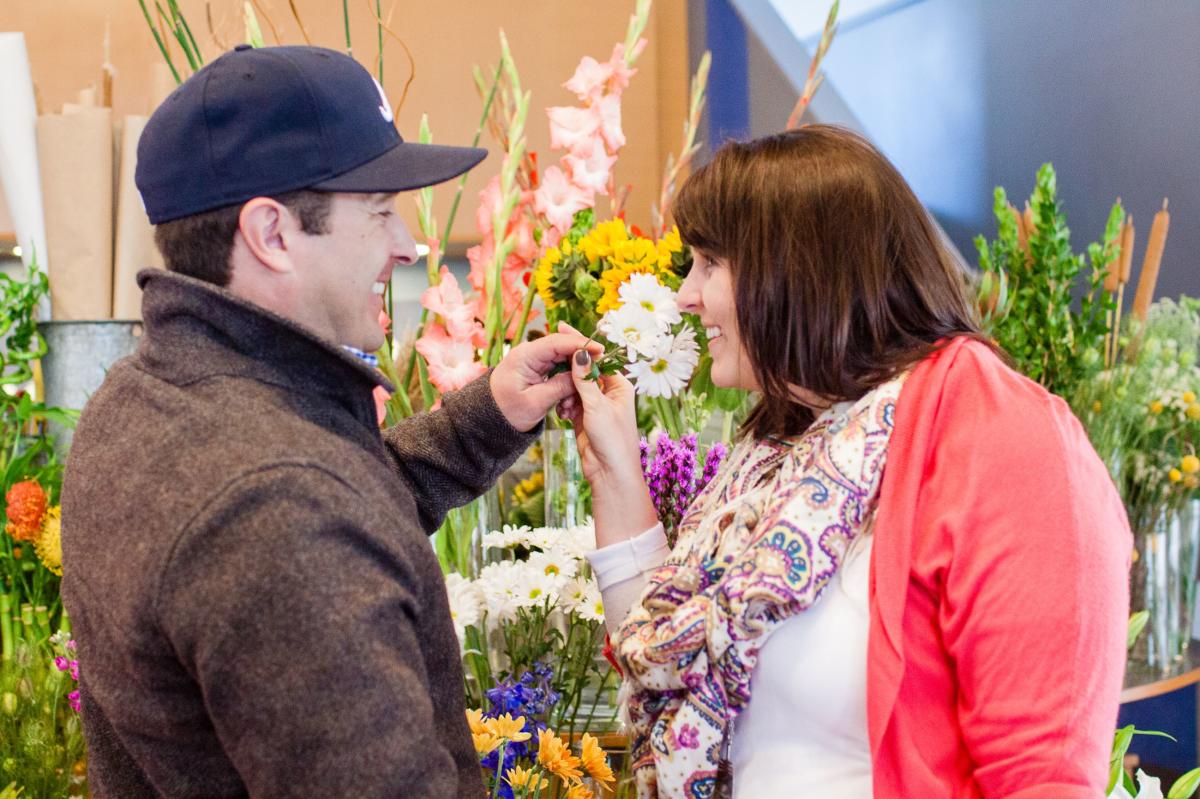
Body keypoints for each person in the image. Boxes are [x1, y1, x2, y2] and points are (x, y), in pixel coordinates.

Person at [60, 45, 594, 798]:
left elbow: (337, 510)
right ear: (271, 234)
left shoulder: (146, 398)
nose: (408, 244)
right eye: (379, 212)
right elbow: (300, 525)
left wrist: (485, 421)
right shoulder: (272, 507)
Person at [559, 125, 1131, 798]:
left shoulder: (1005, 439)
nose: (687, 294)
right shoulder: (782, 444)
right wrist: (614, 469)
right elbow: (668, 667)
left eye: (711, 263)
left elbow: (1043, 777)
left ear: (798, 268)